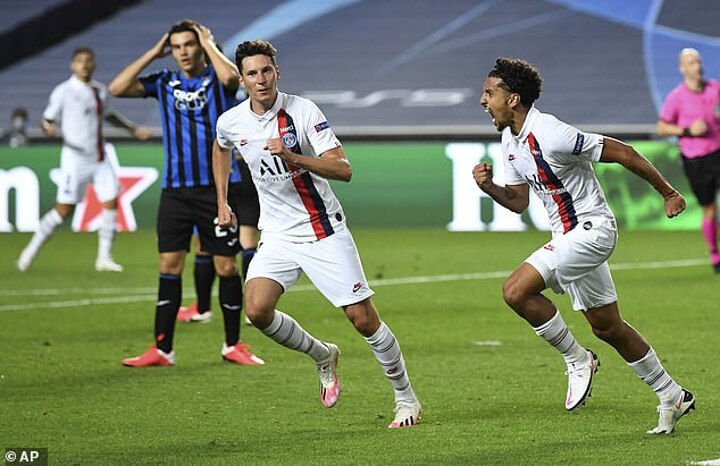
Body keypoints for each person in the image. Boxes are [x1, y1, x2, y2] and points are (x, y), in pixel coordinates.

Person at [473, 58, 695, 434]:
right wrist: (490, 187)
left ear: (513, 99)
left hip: (592, 230)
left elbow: (623, 152)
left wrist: (669, 192)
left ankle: (577, 359)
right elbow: (519, 201)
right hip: (567, 238)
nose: (483, 100)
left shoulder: (552, 132)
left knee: (515, 291)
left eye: (489, 92)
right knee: (608, 328)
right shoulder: (510, 140)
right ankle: (672, 395)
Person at [213, 40, 421, 428]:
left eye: (266, 71)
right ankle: (323, 355)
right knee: (256, 310)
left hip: (321, 229)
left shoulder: (303, 111)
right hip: (277, 234)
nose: (261, 79)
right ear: (242, 80)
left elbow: (343, 169)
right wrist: (222, 201)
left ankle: (405, 397)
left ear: (277, 72)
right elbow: (221, 147)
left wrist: (292, 156)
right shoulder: (232, 121)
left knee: (363, 320)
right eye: (252, 74)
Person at [109, 19, 263, 366]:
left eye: (189, 45)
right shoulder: (165, 81)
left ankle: (233, 344)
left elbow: (232, 78)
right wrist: (154, 53)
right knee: (169, 264)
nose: (183, 52)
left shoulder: (217, 80)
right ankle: (163, 349)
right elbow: (117, 88)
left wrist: (208, 43)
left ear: (201, 45)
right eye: (177, 47)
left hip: (216, 189)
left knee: (226, 266)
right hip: (176, 190)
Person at [16, 47, 150, 273]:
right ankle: (31, 249)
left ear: (94, 64)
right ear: (73, 65)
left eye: (88, 61)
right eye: (80, 61)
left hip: (99, 157)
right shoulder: (64, 91)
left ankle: (104, 258)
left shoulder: (99, 91)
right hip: (75, 160)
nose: (84, 65)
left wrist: (133, 129)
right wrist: (48, 129)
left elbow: (109, 115)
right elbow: (47, 119)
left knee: (111, 202)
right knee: (63, 210)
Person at [657, 48, 720, 274]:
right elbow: (662, 128)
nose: (698, 66)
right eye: (692, 63)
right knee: (709, 208)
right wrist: (687, 130)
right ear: (682, 68)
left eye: (698, 61)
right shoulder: (677, 97)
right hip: (696, 160)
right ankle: (715, 254)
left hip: (718, 151)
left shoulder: (715, 88)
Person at [178, 157, 260, 324]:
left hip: (222, 175)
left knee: (204, 243)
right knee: (248, 241)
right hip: (249, 171)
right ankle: (252, 309)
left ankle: (203, 309)